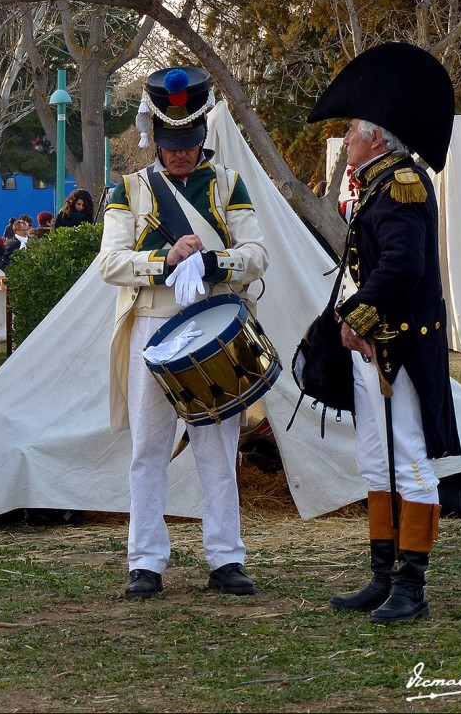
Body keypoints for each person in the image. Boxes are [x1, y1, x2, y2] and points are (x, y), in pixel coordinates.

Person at [98, 66, 268, 599]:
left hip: (213, 321)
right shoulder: (129, 189)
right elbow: (110, 261)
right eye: (172, 143)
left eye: (189, 142)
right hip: (153, 321)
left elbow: (257, 255)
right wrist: (164, 260)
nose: (181, 154)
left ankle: (226, 557)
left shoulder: (227, 184)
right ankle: (145, 561)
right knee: (149, 449)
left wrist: (216, 262)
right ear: (156, 136)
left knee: (217, 448)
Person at [306, 41, 460, 624]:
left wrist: (355, 317)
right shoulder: (377, 179)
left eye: (350, 130)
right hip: (378, 348)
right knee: (377, 460)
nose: (345, 138)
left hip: (399, 347)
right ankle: (382, 576)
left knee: (410, 460)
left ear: (375, 136)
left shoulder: (401, 183)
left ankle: (412, 586)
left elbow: (403, 267)